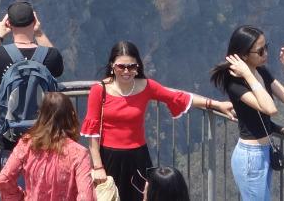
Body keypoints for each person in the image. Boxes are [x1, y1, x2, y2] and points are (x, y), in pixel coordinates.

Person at [82, 41, 232, 201]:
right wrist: (98, 166)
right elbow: (93, 132)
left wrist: (216, 104)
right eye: (121, 66)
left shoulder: (146, 86)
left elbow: (177, 97)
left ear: (138, 66)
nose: (126, 71)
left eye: (132, 66)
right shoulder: (100, 90)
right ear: (112, 65)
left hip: (138, 157)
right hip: (109, 157)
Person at [208, 25, 284, 201]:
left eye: (266, 47)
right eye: (260, 51)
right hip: (251, 156)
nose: (266, 53)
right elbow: (270, 108)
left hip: (264, 152)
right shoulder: (234, 83)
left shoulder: (261, 72)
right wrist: (248, 75)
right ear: (243, 55)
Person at [0, 1, 65, 175]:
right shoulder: (50, 56)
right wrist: (39, 32)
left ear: (8, 24)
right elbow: (58, 67)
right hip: (44, 137)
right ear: (34, 20)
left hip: (9, 139)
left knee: (11, 189)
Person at [0, 91, 95, 201]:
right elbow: (86, 197)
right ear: (72, 116)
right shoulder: (79, 154)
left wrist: (18, 197)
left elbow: (4, 179)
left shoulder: (26, 145)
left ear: (41, 116)